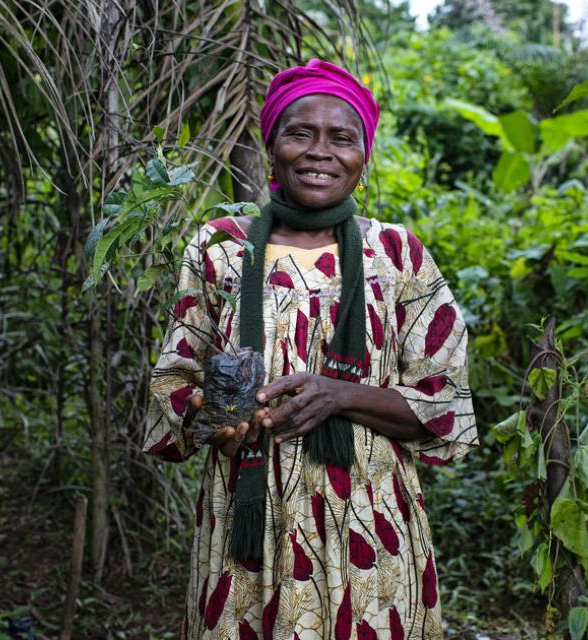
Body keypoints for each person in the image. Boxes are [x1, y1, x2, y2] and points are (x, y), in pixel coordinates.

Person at [145, 59, 476, 639]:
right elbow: (173, 382)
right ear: (272, 147)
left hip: (370, 521)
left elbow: (444, 402)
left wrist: (337, 395)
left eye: (340, 138)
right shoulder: (220, 247)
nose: (320, 152)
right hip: (247, 518)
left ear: (362, 155)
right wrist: (213, 413)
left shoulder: (397, 255)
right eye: (300, 134)